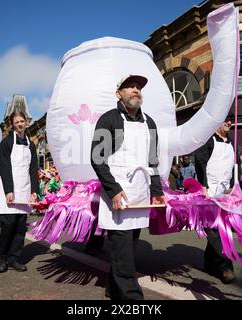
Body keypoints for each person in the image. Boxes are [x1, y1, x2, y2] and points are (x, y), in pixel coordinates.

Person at [91, 75, 165, 300]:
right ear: (118, 94)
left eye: (139, 87)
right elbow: (97, 158)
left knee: (129, 246)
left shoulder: (149, 123)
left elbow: (152, 162)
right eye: (130, 86)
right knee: (122, 247)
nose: (136, 90)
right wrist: (113, 190)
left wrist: (157, 191)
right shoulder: (108, 119)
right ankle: (132, 298)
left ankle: (114, 287)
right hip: (119, 194)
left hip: (140, 194)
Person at [0, 111, 39, 272]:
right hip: (10, 189)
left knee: (20, 227)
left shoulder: (31, 145)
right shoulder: (6, 143)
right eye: (17, 122)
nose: (20, 124)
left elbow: (33, 169)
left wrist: (34, 190)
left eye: (22, 121)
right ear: (13, 124)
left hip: (24, 189)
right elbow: (4, 167)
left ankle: (14, 259)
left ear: (26, 122)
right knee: (8, 225)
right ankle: (2, 259)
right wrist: (8, 190)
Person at [193, 118, 236, 284]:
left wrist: (232, 185)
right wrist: (203, 186)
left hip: (225, 193)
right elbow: (200, 162)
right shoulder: (208, 139)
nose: (229, 122)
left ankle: (210, 262)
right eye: (226, 119)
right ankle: (226, 266)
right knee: (215, 230)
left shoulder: (232, 142)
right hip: (208, 192)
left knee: (222, 228)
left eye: (231, 120)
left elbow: (233, 166)